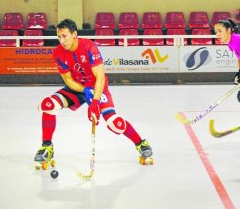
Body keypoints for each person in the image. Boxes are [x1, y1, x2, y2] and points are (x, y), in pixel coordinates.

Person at [34, 19, 153, 168]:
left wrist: (95, 101)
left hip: (97, 86)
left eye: (65, 36)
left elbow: (100, 77)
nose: (62, 41)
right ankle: (47, 147)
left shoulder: (89, 47)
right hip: (77, 88)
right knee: (48, 104)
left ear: (74, 34)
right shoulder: (58, 53)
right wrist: (83, 90)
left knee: (114, 122)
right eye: (59, 37)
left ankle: (141, 143)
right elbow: (68, 80)